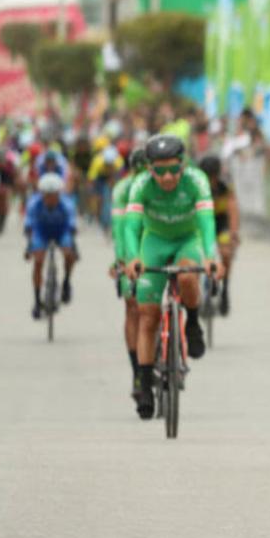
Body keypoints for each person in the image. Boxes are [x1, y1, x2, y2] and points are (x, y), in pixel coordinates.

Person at [122, 134, 223, 419]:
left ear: (183, 164)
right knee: (148, 316)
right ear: (149, 169)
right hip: (153, 242)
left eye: (173, 169)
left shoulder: (196, 180)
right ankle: (143, 383)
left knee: (189, 277)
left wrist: (212, 256)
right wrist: (132, 258)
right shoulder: (141, 184)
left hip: (186, 240)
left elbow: (206, 222)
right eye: (159, 171)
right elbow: (131, 226)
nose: (167, 177)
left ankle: (192, 323)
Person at [109, 146, 147, 397]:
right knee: (132, 306)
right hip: (131, 245)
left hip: (157, 239)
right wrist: (122, 260)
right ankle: (137, 372)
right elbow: (121, 229)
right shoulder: (123, 189)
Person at [24, 173, 79, 320]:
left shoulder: (67, 204)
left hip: (61, 231)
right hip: (41, 232)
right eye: (46, 195)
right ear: (41, 194)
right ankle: (37, 301)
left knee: (69, 254)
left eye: (53, 195)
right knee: (38, 261)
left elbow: (72, 226)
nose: (50, 198)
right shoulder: (34, 203)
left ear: (58, 194)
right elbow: (29, 226)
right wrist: (29, 247)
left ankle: (66, 282)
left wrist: (73, 248)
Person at [198, 154, 240, 315]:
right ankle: (203, 292)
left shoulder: (225, 183)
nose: (210, 181)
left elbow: (232, 208)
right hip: (202, 219)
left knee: (226, 253)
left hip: (220, 220)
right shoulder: (196, 183)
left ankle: (225, 290)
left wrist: (234, 233)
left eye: (213, 177)